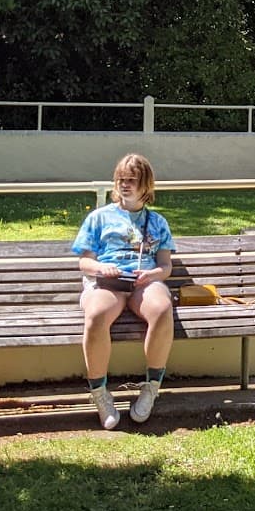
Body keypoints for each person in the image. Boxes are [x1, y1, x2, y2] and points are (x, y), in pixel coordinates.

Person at [71, 153, 176, 429]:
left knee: (163, 308)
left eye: (132, 180)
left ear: (146, 186)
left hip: (143, 283)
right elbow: (84, 262)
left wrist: (152, 274)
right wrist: (101, 269)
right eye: (120, 180)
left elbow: (165, 266)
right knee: (95, 314)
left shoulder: (158, 222)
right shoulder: (99, 218)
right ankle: (100, 393)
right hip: (108, 283)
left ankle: (151, 387)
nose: (124, 185)